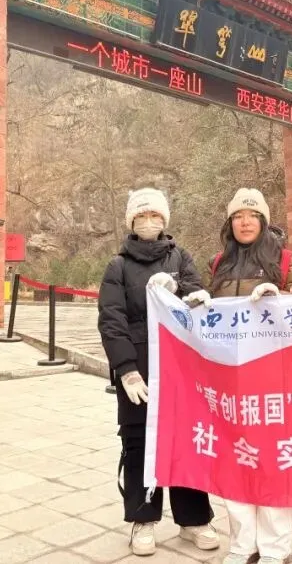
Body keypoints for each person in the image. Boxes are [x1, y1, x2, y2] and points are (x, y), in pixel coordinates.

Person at [98, 188, 220, 557]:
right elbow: (111, 319)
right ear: (131, 222)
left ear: (164, 220)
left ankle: (194, 518)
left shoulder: (180, 257)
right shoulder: (118, 266)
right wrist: (125, 369)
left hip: (179, 365)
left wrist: (180, 289)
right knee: (138, 441)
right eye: (142, 216)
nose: (149, 222)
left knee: (185, 439)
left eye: (155, 216)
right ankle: (143, 518)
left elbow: (198, 295)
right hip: (139, 367)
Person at [206, 188, 292, 564]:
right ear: (230, 223)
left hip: (273, 379)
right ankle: (242, 544)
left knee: (273, 460)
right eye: (238, 216)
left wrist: (287, 292)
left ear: (264, 221)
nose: (245, 222)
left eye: (252, 215)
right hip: (230, 379)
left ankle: (275, 547)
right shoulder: (218, 263)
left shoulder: (285, 260)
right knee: (235, 460)